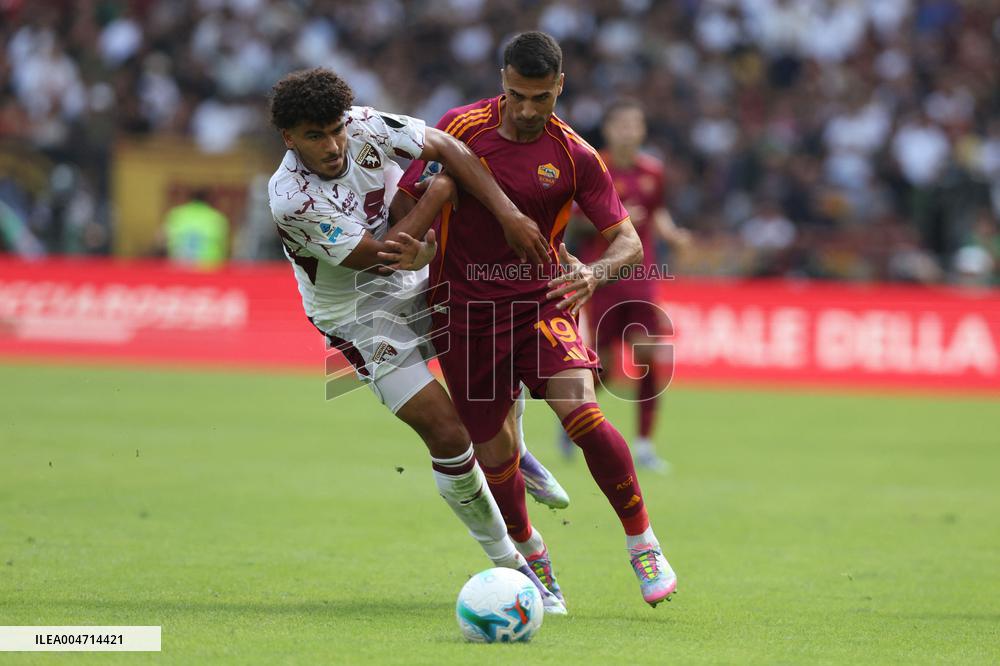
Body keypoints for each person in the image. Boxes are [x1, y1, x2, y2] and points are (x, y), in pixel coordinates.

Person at [390, 33, 678, 607]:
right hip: (463, 312)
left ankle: (642, 542)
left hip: (539, 303)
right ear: (502, 80)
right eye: (517, 95)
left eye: (540, 98)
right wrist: (421, 235)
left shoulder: (575, 155)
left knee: (583, 410)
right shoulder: (459, 127)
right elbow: (405, 205)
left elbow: (625, 242)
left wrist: (595, 275)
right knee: (493, 452)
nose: (526, 110)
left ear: (560, 88)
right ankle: (532, 555)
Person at [265, 67, 567, 613]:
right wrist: (441, 194)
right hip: (358, 314)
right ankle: (517, 560)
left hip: (417, 280)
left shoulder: (367, 125)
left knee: (499, 334)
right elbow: (378, 259)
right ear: (289, 138)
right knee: (447, 433)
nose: (334, 145)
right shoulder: (291, 198)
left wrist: (508, 215)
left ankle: (514, 450)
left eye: (335, 129)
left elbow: (449, 145)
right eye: (315, 136)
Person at [559, 99, 690, 472]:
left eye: (635, 125)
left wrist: (671, 233)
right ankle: (571, 418)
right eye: (621, 125)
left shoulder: (653, 172)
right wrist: (614, 220)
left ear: (642, 130)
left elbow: (658, 210)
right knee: (607, 367)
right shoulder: (591, 166)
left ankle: (645, 445)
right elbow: (574, 221)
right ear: (609, 129)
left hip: (641, 275)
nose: (628, 132)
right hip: (602, 276)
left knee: (649, 354)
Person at [161, 189, 229, 269]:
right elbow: (224, 244)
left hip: (180, 265)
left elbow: (162, 239)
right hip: (208, 267)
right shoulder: (216, 217)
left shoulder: (177, 214)